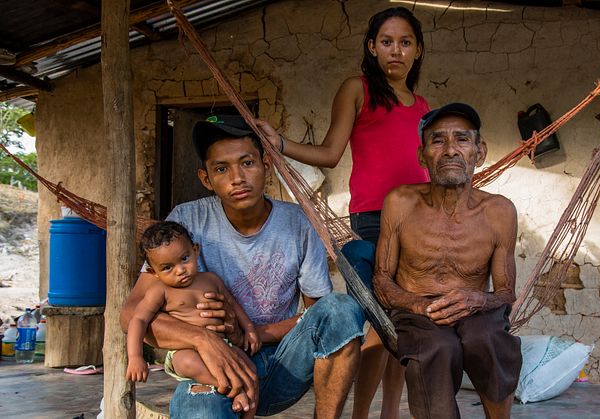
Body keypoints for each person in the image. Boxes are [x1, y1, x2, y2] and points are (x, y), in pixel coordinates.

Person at [120, 115, 365, 418]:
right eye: (221, 169)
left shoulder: (298, 223)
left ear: (267, 165)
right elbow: (132, 314)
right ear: (206, 178)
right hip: (214, 366)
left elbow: (317, 317)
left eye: (247, 163)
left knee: (341, 309)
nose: (237, 177)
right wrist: (203, 339)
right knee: (202, 410)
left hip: (282, 365)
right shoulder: (186, 222)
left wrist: (257, 333)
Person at [256, 7, 428, 418]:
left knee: (403, 324)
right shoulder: (358, 89)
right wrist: (281, 144)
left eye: (405, 43)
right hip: (373, 219)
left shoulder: (423, 106)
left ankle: (389, 413)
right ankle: (360, 414)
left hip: (419, 221)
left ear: (418, 50)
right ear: (372, 47)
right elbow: (331, 154)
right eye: (386, 42)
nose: (396, 51)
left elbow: (428, 168)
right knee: (379, 321)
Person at [372, 103, 522, 419]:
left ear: (480, 152)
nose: (450, 150)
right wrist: (416, 305)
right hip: (416, 313)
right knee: (438, 348)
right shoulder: (400, 203)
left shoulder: (499, 212)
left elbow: (507, 292)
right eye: (438, 140)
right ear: (422, 155)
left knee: (488, 338)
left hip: (477, 309)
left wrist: (479, 299)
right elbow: (382, 280)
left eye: (462, 140)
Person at [125, 221, 260, 417]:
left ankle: (247, 411)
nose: (180, 270)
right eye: (167, 268)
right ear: (153, 272)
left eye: (184, 258)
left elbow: (233, 304)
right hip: (187, 350)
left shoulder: (211, 279)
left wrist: (249, 328)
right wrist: (135, 357)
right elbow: (138, 320)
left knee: (250, 371)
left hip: (224, 344)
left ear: (196, 250)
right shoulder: (160, 291)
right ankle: (232, 389)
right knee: (187, 362)